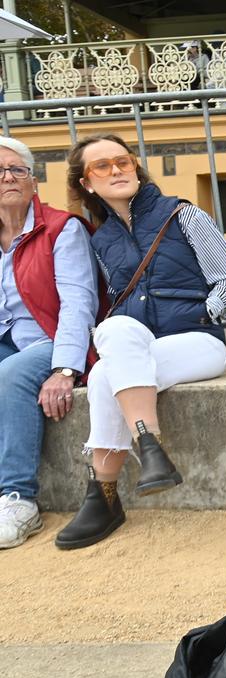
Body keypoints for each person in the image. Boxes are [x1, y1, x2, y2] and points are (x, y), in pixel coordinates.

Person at [57, 134, 226, 550]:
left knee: (109, 370)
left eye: (122, 162)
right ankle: (148, 448)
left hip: (198, 343)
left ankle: (104, 493)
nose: (116, 171)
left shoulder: (182, 215)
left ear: (135, 168)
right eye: (102, 166)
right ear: (87, 183)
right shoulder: (101, 241)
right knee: (110, 347)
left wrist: (205, 313)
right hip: (139, 348)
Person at [0, 136, 97, 550]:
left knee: (11, 375)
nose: (7, 178)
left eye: (16, 170)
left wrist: (64, 369)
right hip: (8, 336)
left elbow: (79, 303)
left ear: (33, 182)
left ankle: (18, 498)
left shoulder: (61, 228)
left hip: (51, 339)